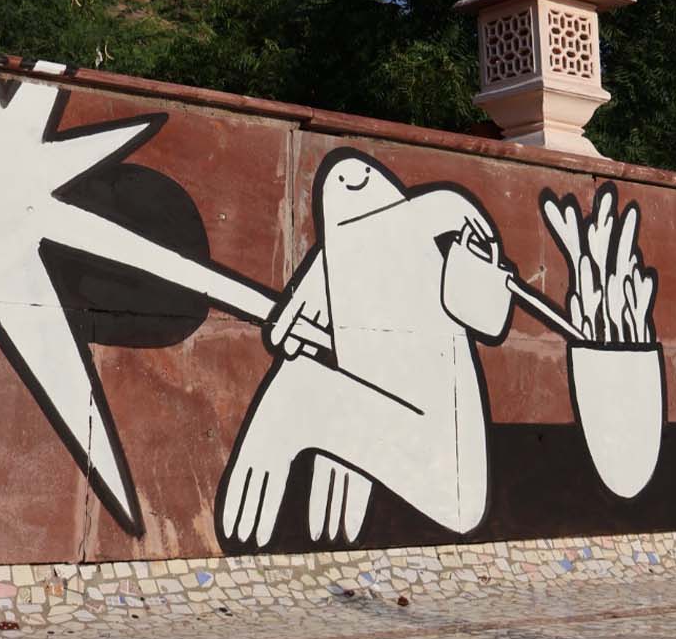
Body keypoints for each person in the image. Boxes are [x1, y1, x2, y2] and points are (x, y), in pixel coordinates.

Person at [218, 148, 514, 548]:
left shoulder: (435, 219)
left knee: (298, 389)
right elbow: (286, 332)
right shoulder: (365, 249)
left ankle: (302, 403)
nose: (350, 180)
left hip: (452, 472)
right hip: (440, 465)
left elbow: (468, 228)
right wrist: (351, 431)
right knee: (300, 384)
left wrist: (323, 412)